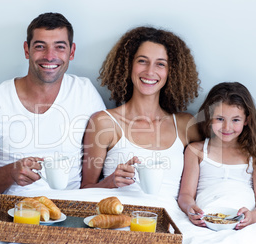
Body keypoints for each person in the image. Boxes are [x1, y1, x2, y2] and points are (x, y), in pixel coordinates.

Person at [0, 12, 105, 198]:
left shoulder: (85, 93)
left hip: (70, 211)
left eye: (59, 47)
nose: (50, 56)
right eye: (40, 46)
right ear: (27, 50)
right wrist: (11, 173)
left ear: (71, 52)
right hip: (12, 212)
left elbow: (92, 179)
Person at [80, 26, 201, 199]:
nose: (150, 71)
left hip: (170, 222)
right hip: (120, 221)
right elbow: (85, 190)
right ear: (128, 65)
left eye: (160, 64)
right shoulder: (104, 122)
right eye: (142, 61)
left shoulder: (185, 125)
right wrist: (110, 182)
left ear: (171, 72)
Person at [178, 82, 256, 229]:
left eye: (235, 120)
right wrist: (190, 208)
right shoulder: (196, 151)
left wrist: (252, 217)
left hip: (245, 225)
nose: (227, 127)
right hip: (206, 222)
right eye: (220, 119)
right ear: (209, 117)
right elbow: (185, 195)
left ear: (246, 120)